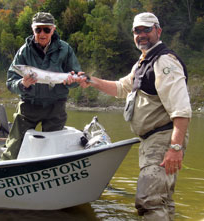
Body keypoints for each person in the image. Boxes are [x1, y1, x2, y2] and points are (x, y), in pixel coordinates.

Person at [73, 12, 192, 220]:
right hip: (150, 141)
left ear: (158, 31)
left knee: (149, 200)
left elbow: (181, 109)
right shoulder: (142, 63)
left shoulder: (164, 62)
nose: (142, 34)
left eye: (147, 29)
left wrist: (175, 147)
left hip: (163, 139)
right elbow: (121, 88)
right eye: (137, 30)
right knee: (161, 200)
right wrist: (91, 80)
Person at [1, 12, 81, 160]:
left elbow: (76, 77)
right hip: (28, 107)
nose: (42, 33)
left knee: (53, 152)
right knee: (13, 147)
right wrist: (22, 84)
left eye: (46, 29)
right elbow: (10, 82)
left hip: (56, 108)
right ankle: (2, 173)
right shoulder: (23, 51)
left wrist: (73, 81)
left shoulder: (65, 49)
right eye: (38, 29)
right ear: (33, 30)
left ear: (53, 30)